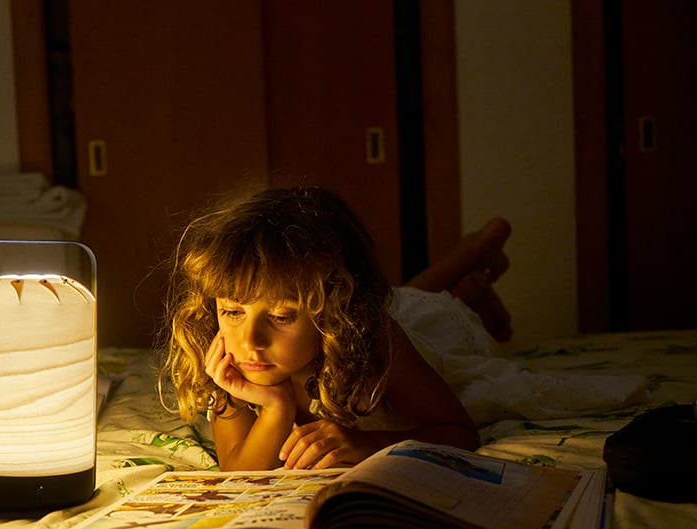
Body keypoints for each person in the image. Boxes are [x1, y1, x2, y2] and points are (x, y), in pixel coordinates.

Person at [159, 185, 510, 471]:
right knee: (406, 296)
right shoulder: (231, 358)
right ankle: (472, 270)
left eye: (282, 317)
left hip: (429, 328)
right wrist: (275, 408)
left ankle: (472, 272)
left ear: (334, 313)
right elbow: (239, 472)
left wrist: (368, 443)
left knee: (425, 307)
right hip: (390, 307)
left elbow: (461, 433)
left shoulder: (373, 338)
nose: (250, 341)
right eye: (233, 311)